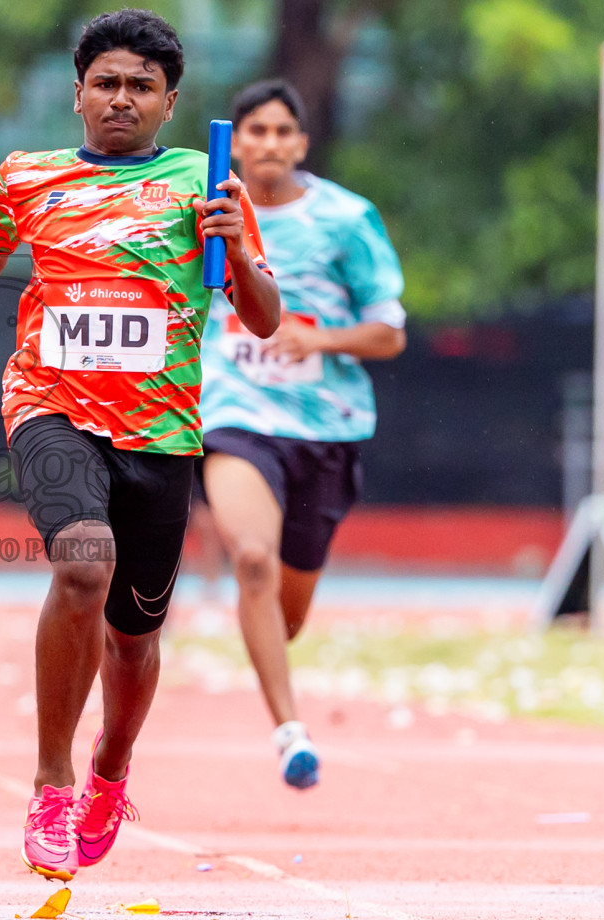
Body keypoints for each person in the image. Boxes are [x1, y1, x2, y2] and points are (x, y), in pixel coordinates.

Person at [0, 9, 279, 881]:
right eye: (106, 84)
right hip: (49, 405)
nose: (122, 100)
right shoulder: (28, 177)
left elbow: (260, 312)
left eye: (141, 87)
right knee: (82, 564)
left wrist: (237, 247)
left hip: (162, 430)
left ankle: (110, 772)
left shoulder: (205, 183)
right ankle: (50, 782)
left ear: (169, 104)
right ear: (77, 96)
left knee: (135, 639)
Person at [198, 80, 406, 789]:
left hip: (326, 428)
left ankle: (266, 651)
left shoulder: (346, 220)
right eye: (255, 131)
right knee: (251, 557)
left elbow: (389, 332)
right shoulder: (209, 212)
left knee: (285, 613)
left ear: (302, 144)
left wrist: (317, 341)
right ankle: (291, 732)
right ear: (238, 140)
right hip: (235, 415)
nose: (269, 144)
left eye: (284, 132)